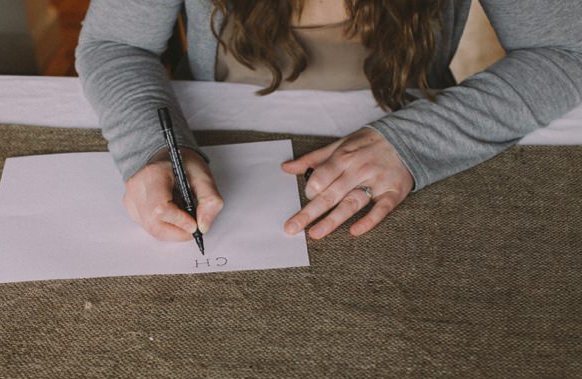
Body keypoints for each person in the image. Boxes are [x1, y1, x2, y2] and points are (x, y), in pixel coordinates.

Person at [76, 0, 582, 241]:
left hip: (420, 140)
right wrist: (152, 146)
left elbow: (566, 50)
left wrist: (415, 142)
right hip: (214, 133)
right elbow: (116, 44)